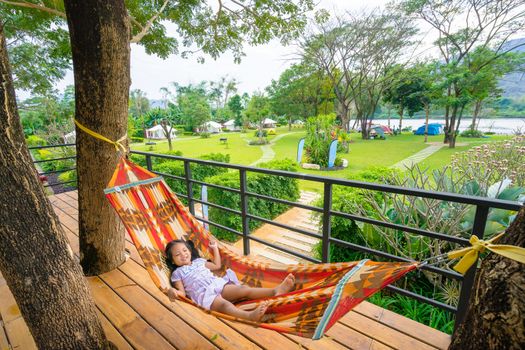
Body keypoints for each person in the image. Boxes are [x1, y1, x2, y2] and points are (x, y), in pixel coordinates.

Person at [165, 239, 295, 321]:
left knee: (243, 289)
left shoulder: (199, 262)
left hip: (216, 284)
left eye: (184, 250)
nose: (183, 254)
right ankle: (249, 316)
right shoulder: (177, 273)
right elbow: (181, 292)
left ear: (189, 250)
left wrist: (215, 248)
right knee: (224, 305)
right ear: (172, 260)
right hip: (205, 295)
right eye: (177, 254)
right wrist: (174, 293)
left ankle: (275, 291)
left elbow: (217, 265)